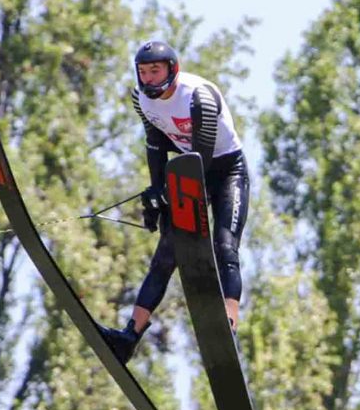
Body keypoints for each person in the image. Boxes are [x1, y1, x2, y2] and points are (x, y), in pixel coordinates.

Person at [100, 40, 250, 364]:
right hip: (189, 168)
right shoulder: (142, 100)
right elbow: (155, 143)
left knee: (225, 246)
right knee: (167, 252)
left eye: (156, 71)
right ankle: (129, 336)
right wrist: (155, 192)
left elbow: (202, 158)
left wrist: (174, 192)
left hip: (225, 171)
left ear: (172, 69)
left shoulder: (198, 97)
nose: (149, 78)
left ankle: (229, 325)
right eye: (143, 72)